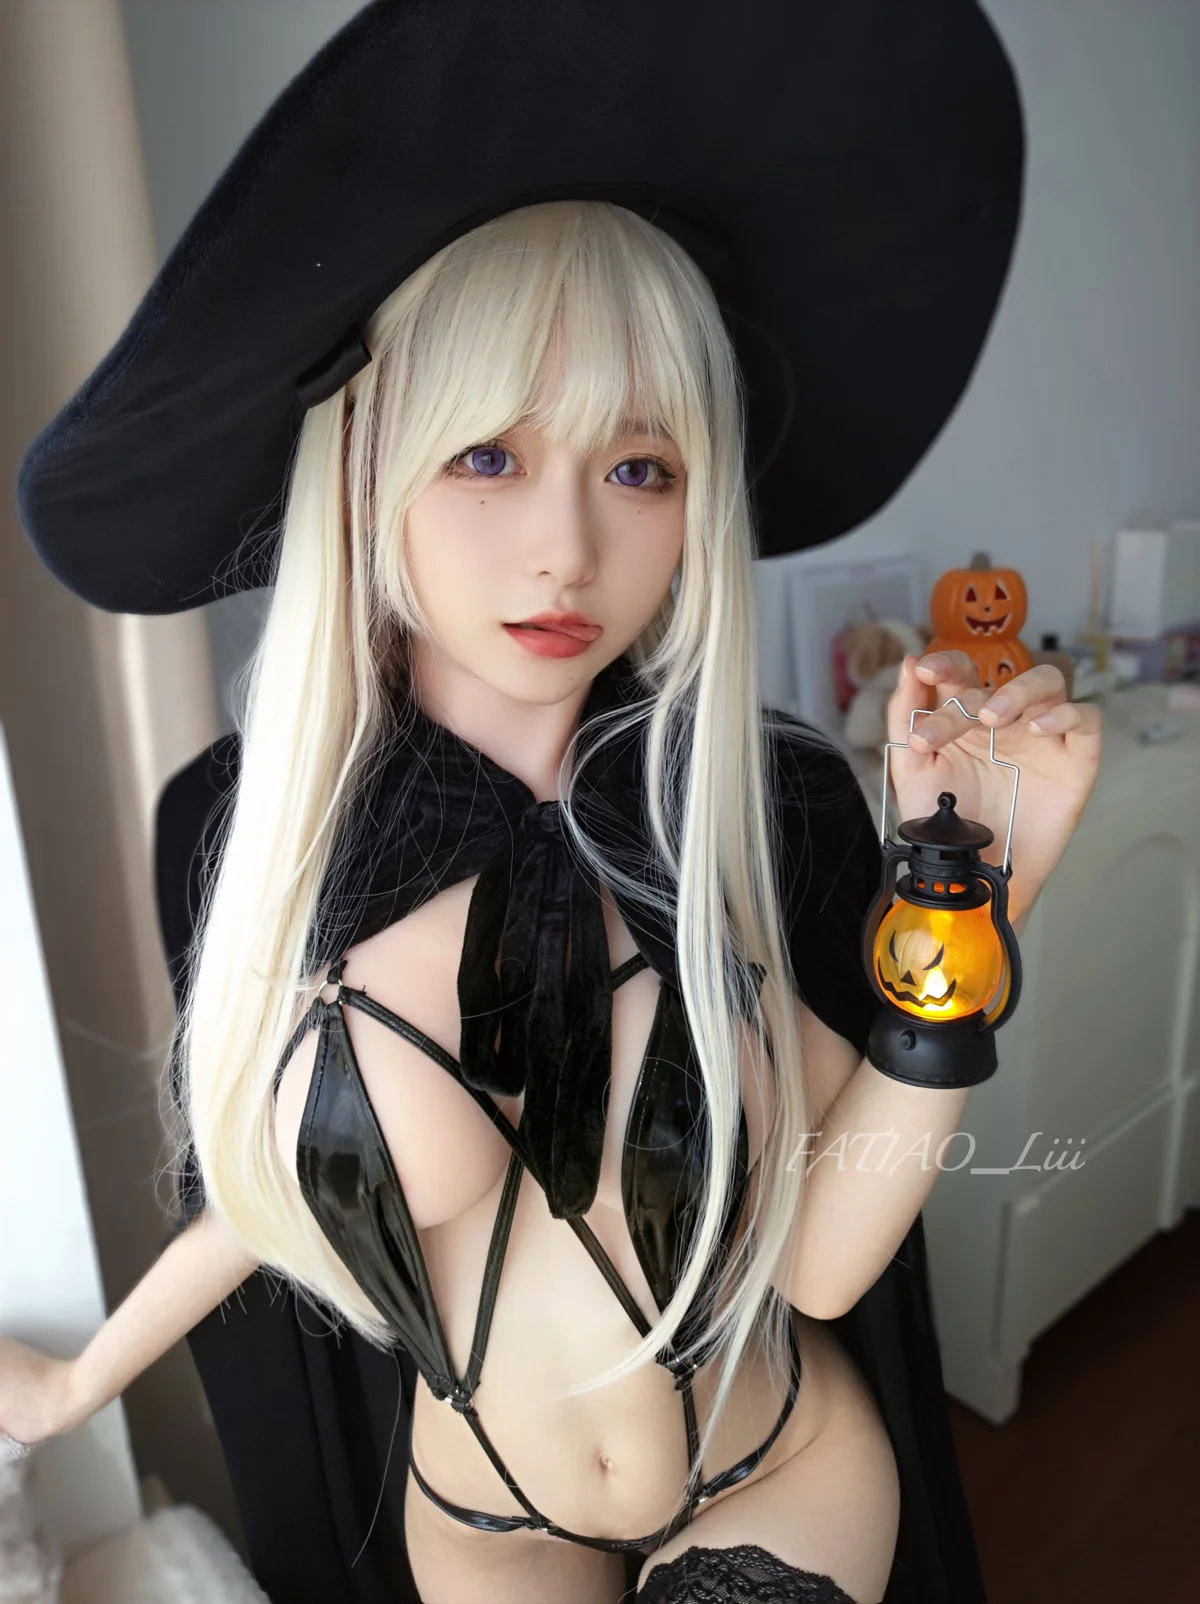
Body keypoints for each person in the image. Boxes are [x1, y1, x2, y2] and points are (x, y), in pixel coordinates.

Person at [3, 3, 1101, 1600]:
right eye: (487, 457)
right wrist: (75, 1386)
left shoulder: (743, 821)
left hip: (774, 1464)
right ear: (367, 465)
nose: (568, 550)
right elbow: (262, 1205)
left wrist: (971, 896)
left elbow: (821, 1259)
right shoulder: (260, 856)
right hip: (484, 1522)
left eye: (640, 468)